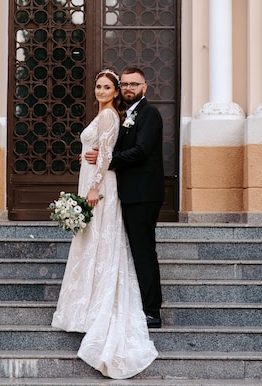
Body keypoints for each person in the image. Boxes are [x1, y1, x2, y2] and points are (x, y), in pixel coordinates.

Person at [51, 69, 158, 379]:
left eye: (107, 87)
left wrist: (95, 186)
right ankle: (84, 301)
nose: (101, 90)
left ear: (115, 92)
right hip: (92, 180)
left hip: (101, 186)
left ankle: (99, 303)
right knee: (92, 240)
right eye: (98, 86)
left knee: (101, 240)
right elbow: (97, 151)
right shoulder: (108, 115)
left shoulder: (112, 116)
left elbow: (109, 154)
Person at [85, 66, 164, 329]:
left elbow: (141, 151)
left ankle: (152, 311)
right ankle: (132, 302)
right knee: (132, 251)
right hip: (126, 193)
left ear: (145, 87)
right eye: (126, 84)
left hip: (143, 195)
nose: (130, 88)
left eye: (134, 84)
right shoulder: (125, 114)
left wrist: (108, 160)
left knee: (143, 252)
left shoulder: (149, 114)